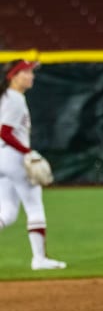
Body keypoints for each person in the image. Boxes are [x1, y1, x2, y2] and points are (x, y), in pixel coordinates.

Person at [0, 60, 66, 270]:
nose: (31, 76)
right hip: (12, 158)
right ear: (13, 76)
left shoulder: (6, 97)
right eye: (26, 72)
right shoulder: (15, 99)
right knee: (34, 206)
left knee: (7, 213)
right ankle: (39, 259)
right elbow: (5, 132)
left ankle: (40, 258)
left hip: (2, 159)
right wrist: (27, 152)